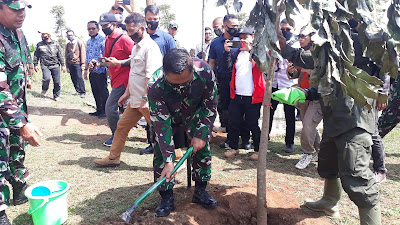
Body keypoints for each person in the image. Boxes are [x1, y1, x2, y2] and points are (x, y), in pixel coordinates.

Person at [279, 28, 381, 224]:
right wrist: (306, 94)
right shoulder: (335, 53)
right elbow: (329, 83)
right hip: (334, 120)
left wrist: (286, 48)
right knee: (328, 162)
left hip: (353, 123)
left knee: (357, 176)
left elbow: (314, 59)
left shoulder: (357, 43)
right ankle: (329, 202)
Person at [148, 49, 218, 217]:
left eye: (185, 82)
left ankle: (200, 191)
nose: (180, 86)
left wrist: (202, 133)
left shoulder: (205, 72)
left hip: (195, 116)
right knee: (161, 156)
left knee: (202, 151)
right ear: (165, 73)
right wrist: (169, 159)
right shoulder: (155, 85)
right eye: (174, 84)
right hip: (168, 119)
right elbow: (161, 124)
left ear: (192, 70)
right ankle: (166, 197)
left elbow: (210, 105)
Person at [93, 13, 162, 167]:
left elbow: (151, 76)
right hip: (135, 100)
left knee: (161, 131)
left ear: (142, 28)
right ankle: (113, 158)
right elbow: (134, 72)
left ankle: (177, 160)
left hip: (147, 101)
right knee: (121, 127)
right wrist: (127, 93)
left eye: (132, 31)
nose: (129, 34)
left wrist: (145, 99)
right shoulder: (137, 47)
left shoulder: (150, 48)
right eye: (128, 31)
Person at [0, 0, 43, 223]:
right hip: (2, 107)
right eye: (15, 9)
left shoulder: (17, 33)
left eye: (23, 8)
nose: (21, 14)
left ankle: (18, 185)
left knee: (17, 148)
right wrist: (21, 122)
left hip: (15, 106)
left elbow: (21, 63)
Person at [349, 19, 388, 184]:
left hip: (371, 92)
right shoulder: (349, 37)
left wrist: (383, 93)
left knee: (372, 131)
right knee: (353, 127)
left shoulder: (375, 39)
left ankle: (380, 170)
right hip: (352, 89)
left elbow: (384, 68)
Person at [222, 27, 266, 161]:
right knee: (233, 122)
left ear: (252, 37)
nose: (242, 40)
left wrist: (251, 50)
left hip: (253, 96)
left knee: (252, 123)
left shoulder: (259, 53)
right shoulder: (237, 54)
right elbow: (226, 68)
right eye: (240, 37)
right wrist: (226, 53)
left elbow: (263, 66)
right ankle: (234, 147)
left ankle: (258, 150)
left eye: (245, 37)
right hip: (237, 95)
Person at [208, 14, 250, 149]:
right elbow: (212, 62)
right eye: (233, 26)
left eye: (237, 26)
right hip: (224, 82)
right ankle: (230, 139)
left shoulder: (241, 41)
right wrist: (209, 80)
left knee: (242, 112)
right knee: (228, 112)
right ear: (225, 27)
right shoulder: (215, 43)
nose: (236, 29)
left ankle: (245, 140)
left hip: (240, 82)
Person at [141, 4, 177, 155]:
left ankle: (168, 145)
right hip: (146, 81)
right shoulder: (142, 37)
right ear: (145, 19)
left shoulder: (166, 38)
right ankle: (152, 143)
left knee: (163, 115)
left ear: (159, 19)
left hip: (164, 82)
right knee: (149, 113)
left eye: (155, 19)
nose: (152, 22)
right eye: (149, 19)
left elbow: (175, 58)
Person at [97, 12, 135, 147]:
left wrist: (119, 62)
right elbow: (108, 60)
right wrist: (98, 63)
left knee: (110, 107)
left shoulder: (125, 39)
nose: (103, 28)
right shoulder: (108, 38)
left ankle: (117, 135)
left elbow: (137, 58)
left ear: (114, 25)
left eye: (105, 25)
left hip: (125, 80)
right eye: (101, 26)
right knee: (132, 109)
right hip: (115, 79)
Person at [286, 28, 321, 169]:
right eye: (298, 36)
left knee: (308, 124)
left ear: (311, 38)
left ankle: (307, 153)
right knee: (309, 126)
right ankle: (322, 152)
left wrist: (310, 71)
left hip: (317, 96)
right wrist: (291, 72)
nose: (300, 39)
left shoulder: (319, 54)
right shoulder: (300, 55)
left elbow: (325, 74)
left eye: (303, 36)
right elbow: (296, 75)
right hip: (303, 95)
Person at [269, 19, 297, 153]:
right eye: (283, 29)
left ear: (294, 30)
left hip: (288, 85)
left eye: (288, 29)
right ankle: (264, 138)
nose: (285, 32)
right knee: (269, 112)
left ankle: (289, 143)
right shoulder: (275, 44)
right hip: (274, 83)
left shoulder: (297, 46)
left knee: (289, 116)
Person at [83, 21, 109, 118]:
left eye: (93, 28)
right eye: (89, 29)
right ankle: (98, 110)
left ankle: (105, 111)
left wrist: (105, 68)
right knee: (95, 91)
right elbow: (87, 57)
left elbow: (106, 56)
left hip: (101, 71)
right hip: (91, 71)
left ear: (98, 29)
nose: (91, 30)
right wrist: (85, 70)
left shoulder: (103, 40)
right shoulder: (88, 42)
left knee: (103, 91)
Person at [33, 31, 66, 101]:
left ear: (49, 35)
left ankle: (56, 96)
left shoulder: (56, 43)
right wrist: (35, 65)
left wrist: (63, 65)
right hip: (45, 65)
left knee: (57, 82)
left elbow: (60, 55)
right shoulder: (39, 44)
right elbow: (36, 55)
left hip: (55, 65)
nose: (42, 36)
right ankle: (44, 90)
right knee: (46, 79)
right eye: (41, 35)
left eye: (43, 34)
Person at [65, 29, 86, 98]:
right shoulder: (68, 44)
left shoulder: (79, 43)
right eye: (68, 35)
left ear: (74, 35)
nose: (69, 36)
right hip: (70, 63)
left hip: (78, 63)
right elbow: (66, 55)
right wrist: (67, 66)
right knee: (73, 77)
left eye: (71, 35)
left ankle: (82, 92)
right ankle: (77, 90)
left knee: (79, 77)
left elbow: (83, 53)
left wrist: (83, 64)